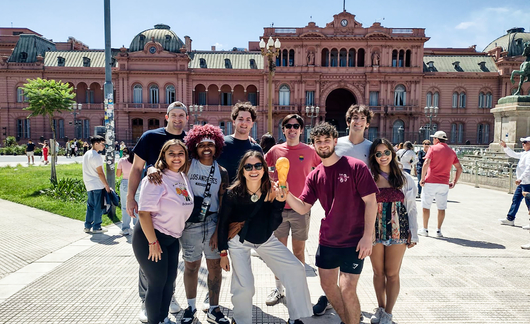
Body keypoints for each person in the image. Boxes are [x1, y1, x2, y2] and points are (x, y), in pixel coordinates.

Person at [285, 122, 378, 324]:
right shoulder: (315, 175)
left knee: (347, 288)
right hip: (328, 239)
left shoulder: (355, 166)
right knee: (327, 286)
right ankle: (348, 321)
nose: (323, 145)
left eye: (327, 140)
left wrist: (367, 237)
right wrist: (286, 193)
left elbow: (371, 202)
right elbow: (302, 207)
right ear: (314, 145)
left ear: (335, 141)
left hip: (354, 240)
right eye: (318, 141)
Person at [218, 151, 312, 324]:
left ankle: (296, 317)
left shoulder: (272, 190)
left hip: (265, 239)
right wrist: (223, 252)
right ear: (242, 171)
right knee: (245, 286)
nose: (253, 170)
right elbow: (222, 223)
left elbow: (274, 224)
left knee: (296, 269)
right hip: (239, 241)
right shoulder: (233, 194)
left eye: (257, 166)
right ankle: (240, 320)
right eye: (248, 166)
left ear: (264, 169)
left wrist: (279, 202)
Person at [127, 101, 188, 322]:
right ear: (167, 116)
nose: (178, 119)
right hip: (151, 217)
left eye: (182, 115)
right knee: (151, 270)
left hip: (172, 222)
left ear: (186, 118)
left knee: (165, 275)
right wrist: (130, 198)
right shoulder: (150, 137)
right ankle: (146, 302)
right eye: (174, 115)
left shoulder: (188, 141)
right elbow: (136, 168)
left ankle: (164, 299)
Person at [314, 104, 373, 316]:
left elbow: (386, 172)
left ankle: (373, 311)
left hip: (365, 213)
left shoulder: (372, 148)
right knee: (333, 282)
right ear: (347, 121)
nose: (358, 122)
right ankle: (337, 306)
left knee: (352, 283)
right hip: (336, 222)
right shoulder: (336, 146)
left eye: (362, 118)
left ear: (368, 123)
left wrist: (369, 233)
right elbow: (322, 171)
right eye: (354, 118)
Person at [263, 114, 320, 306]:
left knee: (298, 252)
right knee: (279, 252)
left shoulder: (311, 151)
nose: (292, 129)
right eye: (288, 126)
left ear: (302, 130)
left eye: (296, 126)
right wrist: (271, 185)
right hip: (278, 209)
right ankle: (279, 289)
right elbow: (262, 171)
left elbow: (323, 172)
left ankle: (298, 290)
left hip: (300, 209)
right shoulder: (274, 150)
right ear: (284, 129)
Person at [179, 124, 230, 324]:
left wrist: (218, 232)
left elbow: (224, 204)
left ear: (217, 146)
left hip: (212, 222)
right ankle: (190, 308)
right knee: (191, 267)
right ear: (194, 147)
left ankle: (214, 309)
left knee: (214, 267)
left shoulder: (222, 171)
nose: (206, 148)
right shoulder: (188, 165)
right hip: (189, 223)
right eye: (201, 145)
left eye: (211, 144)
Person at [368, 138, 418, 324]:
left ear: (392, 153)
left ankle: (389, 312)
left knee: (392, 273)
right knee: (377, 272)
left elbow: (411, 208)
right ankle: (380, 309)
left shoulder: (405, 178)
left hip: (399, 230)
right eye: (378, 153)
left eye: (386, 152)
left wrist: (414, 232)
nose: (383, 157)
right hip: (375, 230)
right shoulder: (369, 177)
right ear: (374, 156)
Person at [418, 131, 463, 238]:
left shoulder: (432, 149)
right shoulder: (452, 152)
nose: (433, 140)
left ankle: (425, 229)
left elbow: (426, 163)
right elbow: (459, 168)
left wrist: (422, 178)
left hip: (431, 181)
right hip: (444, 183)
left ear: (437, 139)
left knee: (426, 206)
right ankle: (438, 230)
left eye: (433, 139)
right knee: (441, 207)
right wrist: (454, 182)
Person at [217, 102, 262, 182]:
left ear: (252, 124)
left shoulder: (256, 148)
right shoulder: (222, 143)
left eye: (248, 120)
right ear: (234, 122)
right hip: (222, 193)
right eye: (240, 119)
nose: (244, 123)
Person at [499, 137, 530, 228]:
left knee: (529, 202)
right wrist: (505, 147)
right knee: (516, 200)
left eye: (525, 142)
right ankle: (510, 218)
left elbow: (528, 169)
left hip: (527, 182)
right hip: (522, 182)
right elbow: (514, 154)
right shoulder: (525, 153)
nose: (523, 144)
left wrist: (520, 178)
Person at [82, 135, 110, 234]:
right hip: (97, 184)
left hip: (89, 184)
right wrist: (106, 185)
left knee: (90, 205)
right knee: (98, 206)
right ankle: (97, 227)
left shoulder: (86, 154)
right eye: (103, 144)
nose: (104, 146)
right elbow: (100, 173)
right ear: (96, 144)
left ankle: (87, 226)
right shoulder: (96, 156)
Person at [117, 147, 136, 235]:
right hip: (137, 183)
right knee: (137, 206)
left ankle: (125, 228)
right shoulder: (138, 161)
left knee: (125, 206)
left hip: (125, 183)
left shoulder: (122, 161)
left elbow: (118, 174)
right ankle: (137, 227)